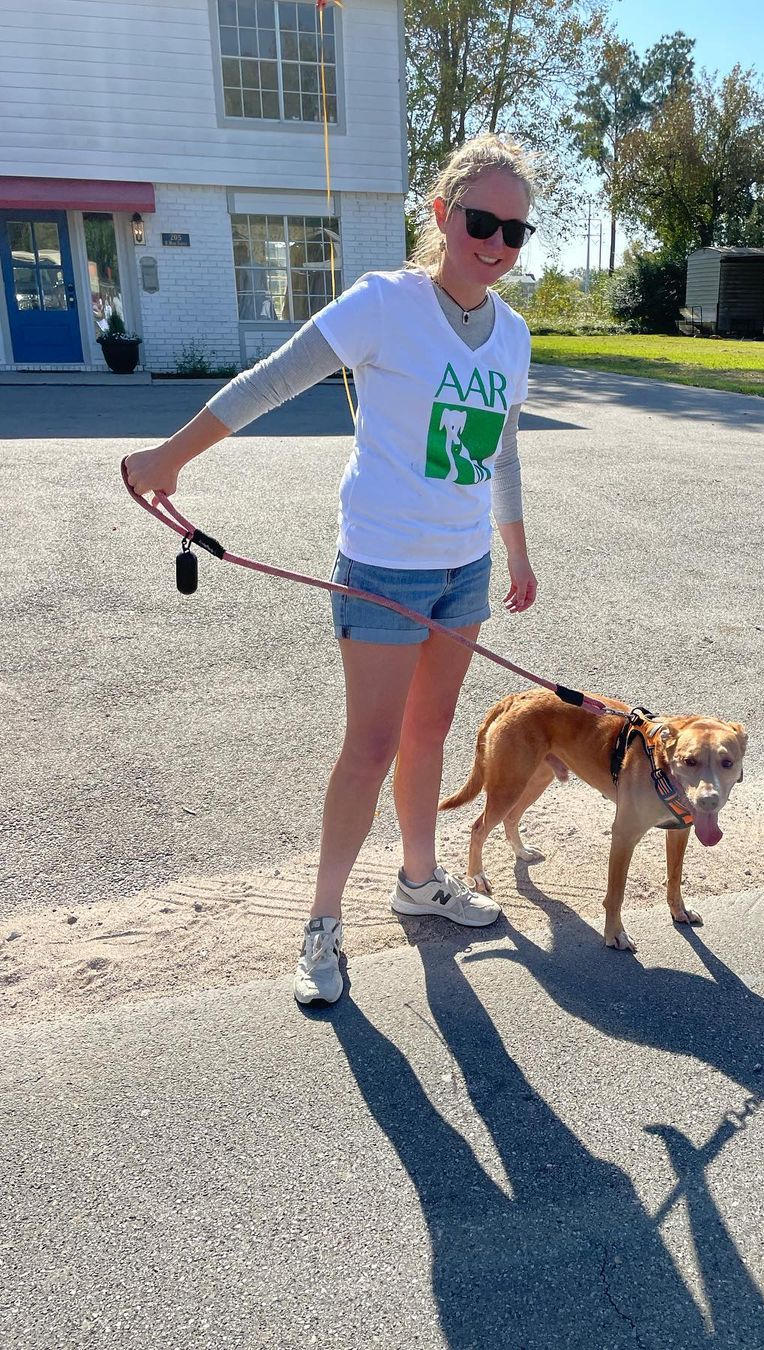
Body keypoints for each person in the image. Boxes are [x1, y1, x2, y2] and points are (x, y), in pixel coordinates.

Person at [123, 134, 538, 1006]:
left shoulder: (514, 336)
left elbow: (499, 453)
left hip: (462, 571)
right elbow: (273, 380)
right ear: (442, 216)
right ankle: (321, 923)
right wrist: (171, 456)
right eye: (481, 221)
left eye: (516, 230)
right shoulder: (384, 304)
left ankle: (419, 880)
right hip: (382, 568)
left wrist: (517, 550)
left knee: (428, 737)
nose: (496, 243)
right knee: (373, 746)